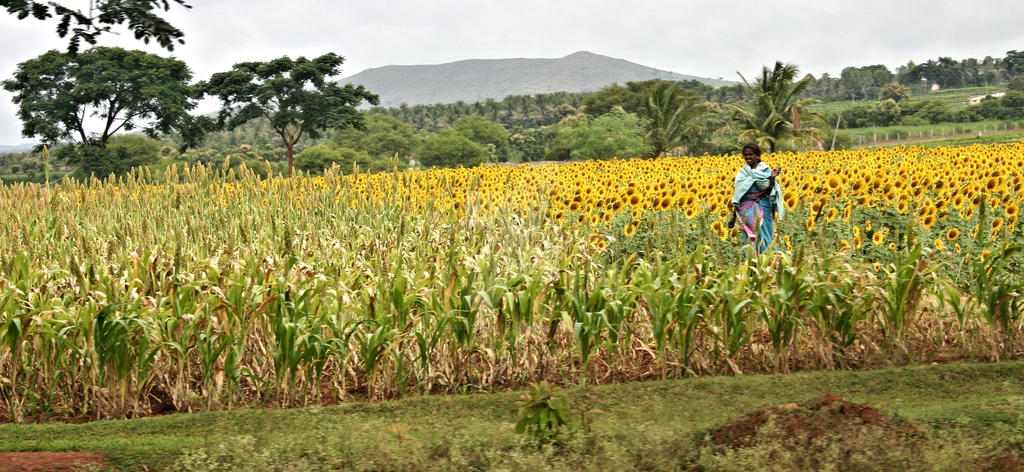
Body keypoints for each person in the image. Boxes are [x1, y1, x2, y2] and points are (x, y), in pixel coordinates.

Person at [728, 143, 785, 254]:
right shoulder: (742, 173)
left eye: (751, 154)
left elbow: (769, 192)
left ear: (757, 156)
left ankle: (769, 263)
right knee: (750, 239)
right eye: (746, 155)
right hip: (745, 211)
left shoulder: (765, 171)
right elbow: (738, 196)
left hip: (763, 207)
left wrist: (772, 179)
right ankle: (753, 265)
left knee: (764, 236)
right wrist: (733, 217)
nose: (748, 157)